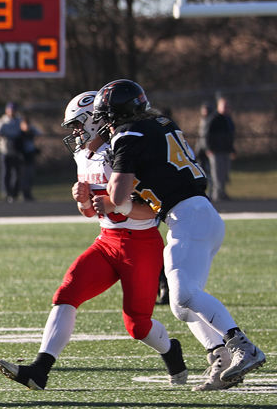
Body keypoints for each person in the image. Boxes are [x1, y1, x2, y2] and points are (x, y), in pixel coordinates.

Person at [0, 91, 187, 390]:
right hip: (107, 241)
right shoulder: (82, 155)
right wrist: (83, 201)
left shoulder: (125, 147)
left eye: (77, 125)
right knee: (66, 293)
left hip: (141, 244)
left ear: (94, 121)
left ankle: (171, 350)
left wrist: (114, 204)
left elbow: (153, 207)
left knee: (137, 325)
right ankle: (40, 369)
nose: (74, 133)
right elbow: (90, 213)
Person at [93, 79, 265, 391]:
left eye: (104, 117)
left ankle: (242, 345)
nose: (102, 124)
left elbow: (118, 197)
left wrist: (108, 197)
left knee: (185, 294)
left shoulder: (129, 135)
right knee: (182, 304)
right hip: (195, 215)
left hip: (189, 217)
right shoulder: (159, 125)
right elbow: (147, 208)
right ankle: (221, 358)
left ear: (116, 115)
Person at [0, 102, 22, 202]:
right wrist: (5, 135)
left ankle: (15, 193)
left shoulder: (19, 121)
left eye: (13, 110)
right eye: (10, 110)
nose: (12, 112)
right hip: (5, 150)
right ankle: (6, 192)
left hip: (16, 151)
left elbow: (26, 129)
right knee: (6, 172)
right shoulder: (2, 122)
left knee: (16, 173)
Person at [205, 96, 235, 201]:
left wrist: (232, 149)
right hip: (216, 151)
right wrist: (209, 148)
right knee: (216, 173)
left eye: (228, 106)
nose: (226, 108)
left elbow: (231, 136)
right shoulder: (214, 118)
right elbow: (206, 134)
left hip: (226, 150)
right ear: (219, 106)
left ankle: (222, 193)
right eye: (224, 106)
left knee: (224, 174)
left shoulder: (228, 119)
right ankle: (216, 195)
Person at [17, 116, 41, 201]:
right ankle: (23, 194)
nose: (27, 126)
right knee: (24, 177)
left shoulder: (31, 134)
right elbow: (18, 148)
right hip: (23, 160)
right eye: (25, 125)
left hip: (30, 158)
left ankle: (29, 193)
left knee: (30, 176)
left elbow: (39, 133)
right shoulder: (20, 136)